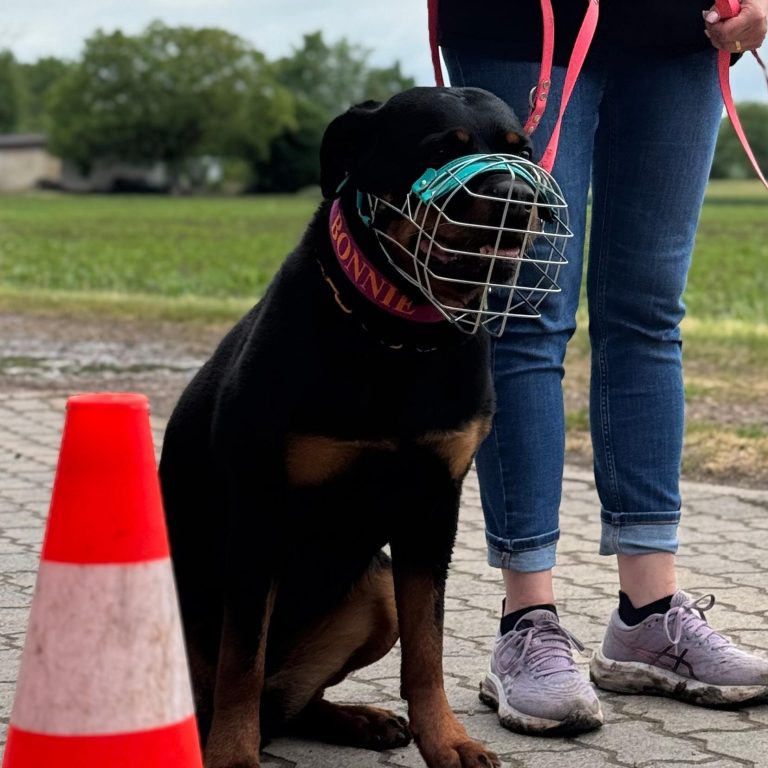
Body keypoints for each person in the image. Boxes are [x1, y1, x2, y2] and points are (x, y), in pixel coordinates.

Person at [436, 0, 768, 735]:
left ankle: (649, 618)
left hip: (680, 30)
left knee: (649, 314)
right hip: (523, 27)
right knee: (528, 312)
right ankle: (526, 620)